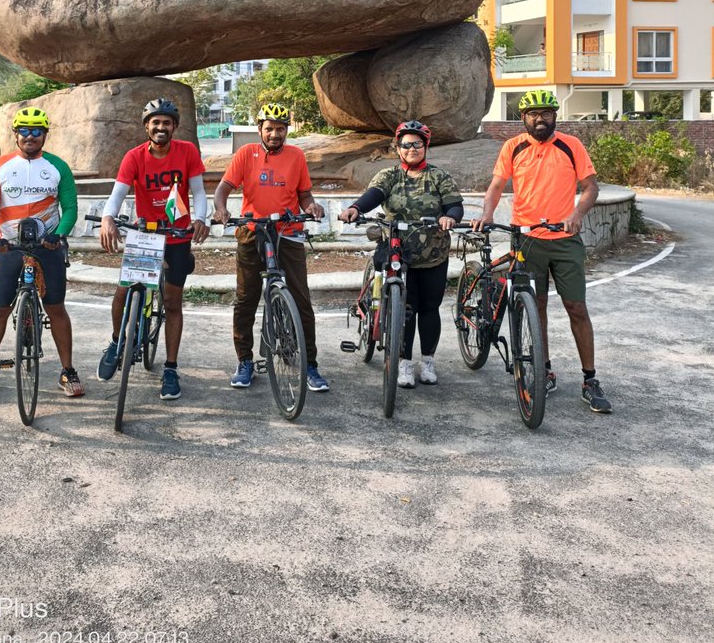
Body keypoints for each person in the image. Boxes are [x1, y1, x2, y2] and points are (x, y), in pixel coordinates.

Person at [474, 89, 611, 414]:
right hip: (526, 240)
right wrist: (487, 213)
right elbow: (496, 185)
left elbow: (591, 186)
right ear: (523, 118)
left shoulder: (570, 145)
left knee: (576, 307)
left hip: (563, 240)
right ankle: (543, 369)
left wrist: (576, 215)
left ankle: (590, 380)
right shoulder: (513, 146)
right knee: (536, 308)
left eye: (546, 112)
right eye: (533, 114)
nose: (540, 119)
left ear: (554, 116)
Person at [0, 106, 83, 400]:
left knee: (56, 308)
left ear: (45, 135)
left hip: (48, 246)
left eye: (37, 131)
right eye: (25, 131)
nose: (30, 137)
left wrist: (59, 234)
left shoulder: (58, 166)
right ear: (15, 134)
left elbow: (70, 208)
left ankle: (67, 370)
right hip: (9, 247)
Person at [96, 98, 209, 401]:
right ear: (146, 126)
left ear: (175, 126)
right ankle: (116, 342)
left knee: (172, 303)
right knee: (123, 292)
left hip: (177, 234)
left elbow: (198, 191)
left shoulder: (187, 152)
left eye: (167, 123)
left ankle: (170, 368)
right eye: (155, 122)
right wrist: (108, 218)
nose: (161, 128)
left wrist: (200, 219)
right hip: (145, 234)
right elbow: (117, 194)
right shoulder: (134, 156)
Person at [212, 102, 329, 392]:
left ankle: (310, 365)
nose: (275, 134)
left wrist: (311, 205)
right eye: (269, 129)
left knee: (301, 299)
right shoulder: (246, 154)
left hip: (288, 232)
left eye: (280, 129)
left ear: (286, 130)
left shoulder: (296, 155)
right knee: (246, 299)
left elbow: (304, 193)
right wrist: (221, 208)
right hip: (253, 232)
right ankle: (245, 361)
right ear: (260, 130)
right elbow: (223, 188)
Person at [339, 119, 463, 387]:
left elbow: (454, 206)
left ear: (425, 146)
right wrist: (356, 208)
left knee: (429, 309)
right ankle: (404, 364)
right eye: (406, 145)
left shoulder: (439, 176)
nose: (411, 148)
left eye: (417, 143)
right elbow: (373, 194)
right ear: (398, 149)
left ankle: (427, 361)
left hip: (433, 255)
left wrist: (449, 218)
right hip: (399, 255)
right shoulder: (390, 175)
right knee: (404, 309)